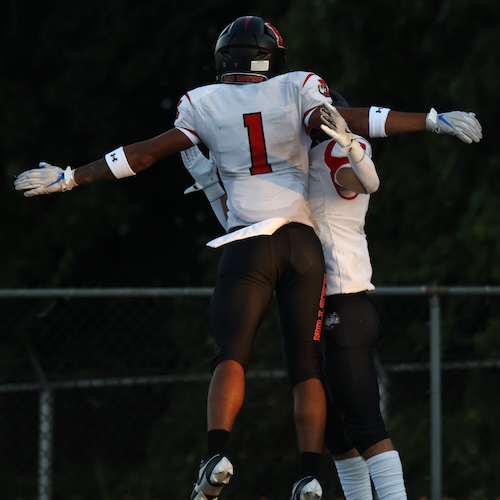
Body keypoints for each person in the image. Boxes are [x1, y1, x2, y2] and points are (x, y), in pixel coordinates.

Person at [13, 15, 482, 500]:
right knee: (318, 394)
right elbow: (353, 122)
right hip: (305, 255)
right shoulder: (298, 98)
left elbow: (147, 153)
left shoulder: (218, 107)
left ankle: (218, 452)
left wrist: (73, 176)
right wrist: (425, 121)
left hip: (294, 266)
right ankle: (309, 473)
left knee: (251, 362)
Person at [309, 101, 407, 499]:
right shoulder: (300, 160)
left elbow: (365, 181)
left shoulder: (332, 150)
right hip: (315, 307)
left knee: (365, 426)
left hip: (344, 302)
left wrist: (349, 144)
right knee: (336, 433)